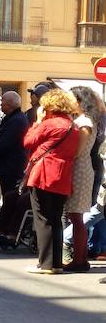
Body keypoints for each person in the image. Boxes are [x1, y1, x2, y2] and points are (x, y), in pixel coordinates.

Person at [23, 88, 80, 274]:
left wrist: (38, 121)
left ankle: (46, 264)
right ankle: (56, 263)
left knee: (42, 219)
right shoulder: (73, 126)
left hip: (44, 173)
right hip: (63, 176)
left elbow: (28, 141)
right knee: (56, 219)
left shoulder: (49, 124)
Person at [63, 86, 101, 272]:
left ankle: (79, 260)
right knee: (75, 216)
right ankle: (80, 258)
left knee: (76, 217)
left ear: (80, 101)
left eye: (71, 99)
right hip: (79, 168)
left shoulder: (84, 121)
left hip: (80, 169)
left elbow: (78, 151)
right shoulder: (81, 119)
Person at [0, 91, 29, 202]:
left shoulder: (17, 120)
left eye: (3, 101)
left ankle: (9, 218)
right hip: (9, 165)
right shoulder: (14, 118)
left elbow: (4, 144)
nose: (0, 104)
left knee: (9, 197)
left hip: (11, 167)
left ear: (9, 104)